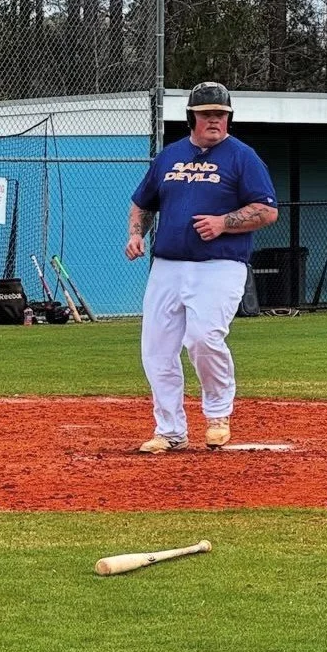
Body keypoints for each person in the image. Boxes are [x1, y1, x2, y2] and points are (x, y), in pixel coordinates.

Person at [126, 82, 278, 453]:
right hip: (167, 265)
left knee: (203, 337)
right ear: (191, 117)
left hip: (219, 265)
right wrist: (135, 234)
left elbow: (267, 210)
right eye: (207, 113)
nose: (214, 120)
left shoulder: (242, 157)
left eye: (221, 114)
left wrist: (224, 222)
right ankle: (170, 430)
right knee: (157, 349)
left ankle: (218, 413)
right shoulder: (169, 156)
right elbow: (143, 203)